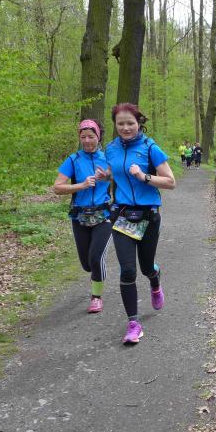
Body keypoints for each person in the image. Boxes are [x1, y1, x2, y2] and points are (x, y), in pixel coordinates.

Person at [97, 103, 176, 344]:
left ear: (138, 123)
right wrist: (106, 176)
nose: (125, 127)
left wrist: (144, 176)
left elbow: (170, 181)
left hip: (148, 216)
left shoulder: (150, 148)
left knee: (146, 267)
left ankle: (155, 279)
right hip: (122, 215)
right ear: (115, 125)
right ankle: (133, 323)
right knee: (128, 270)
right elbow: (116, 172)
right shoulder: (110, 149)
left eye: (130, 123)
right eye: (120, 123)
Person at [53, 119, 112, 314]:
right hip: (80, 216)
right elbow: (57, 187)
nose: (87, 140)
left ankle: (96, 297)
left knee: (95, 258)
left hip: (104, 215)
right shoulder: (73, 160)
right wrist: (82, 185)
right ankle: (96, 271)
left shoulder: (108, 158)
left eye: (91, 136)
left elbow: (122, 177)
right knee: (87, 265)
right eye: (83, 136)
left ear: (98, 137)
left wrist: (108, 177)